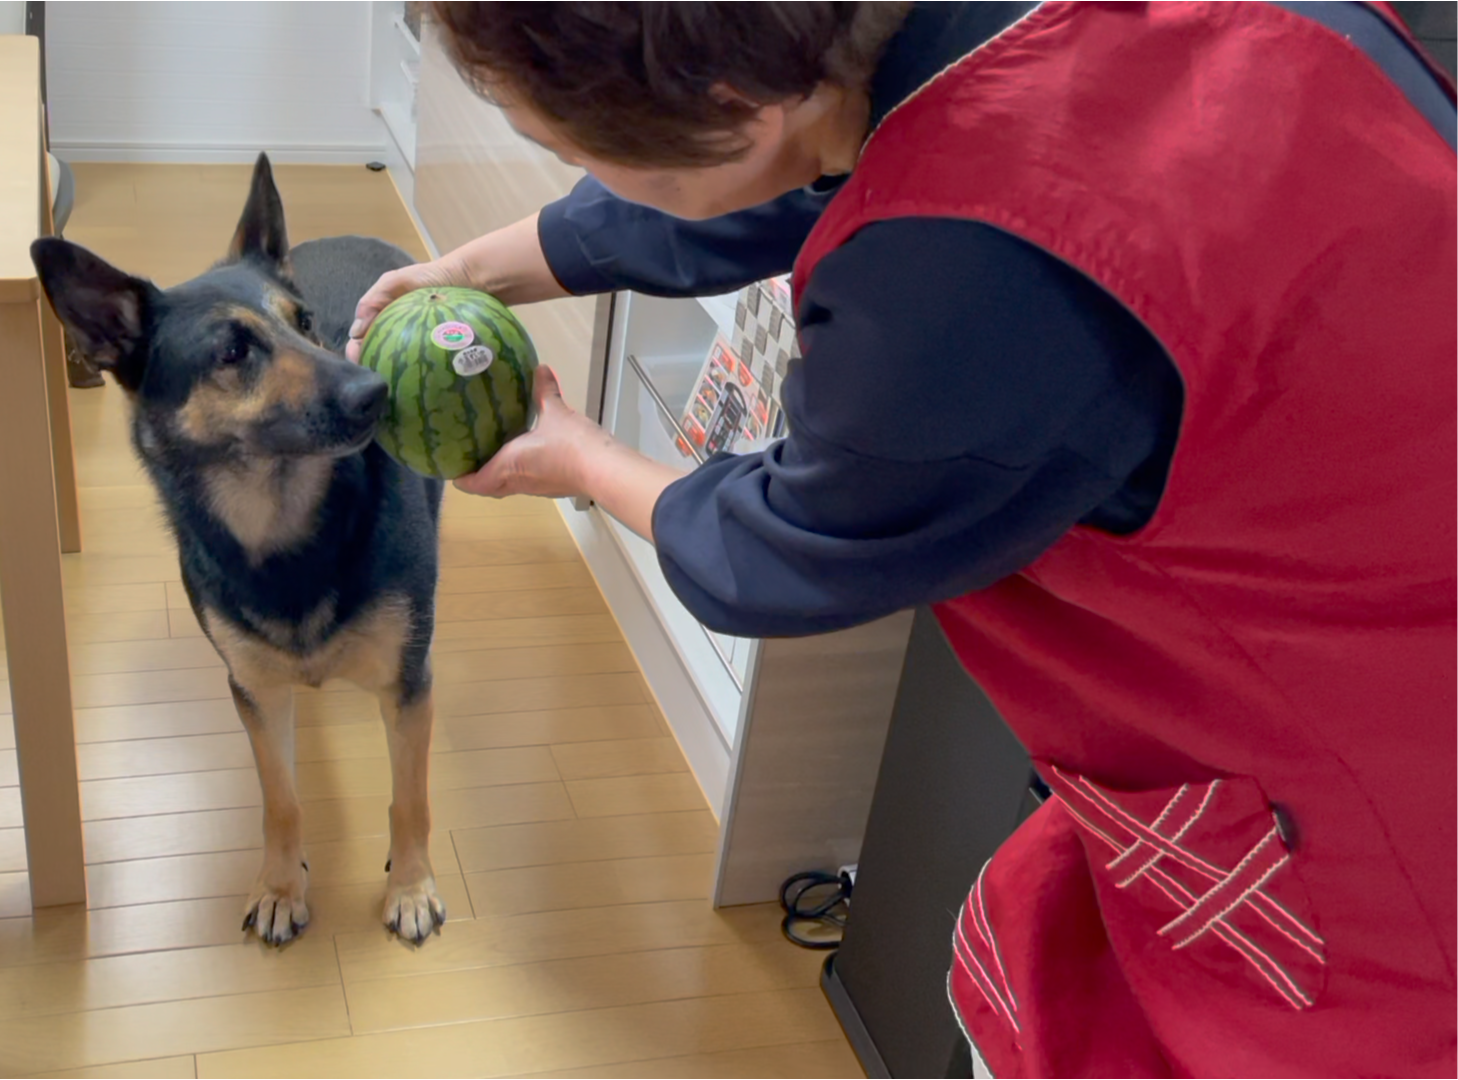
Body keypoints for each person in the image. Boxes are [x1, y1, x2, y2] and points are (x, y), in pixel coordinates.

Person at [347, 2, 1458, 1077]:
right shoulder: (898, 49)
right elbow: (793, 165)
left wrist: (580, 460)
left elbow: (786, 545)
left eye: (565, 147)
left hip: (1364, 808)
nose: (570, 166)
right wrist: (469, 271)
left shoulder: (977, 271)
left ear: (733, 107)